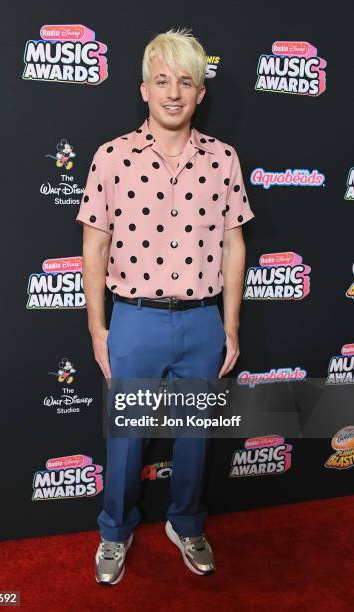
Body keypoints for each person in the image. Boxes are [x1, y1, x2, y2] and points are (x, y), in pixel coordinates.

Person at [75, 27, 255, 586]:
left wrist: (228, 326)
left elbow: (233, 243)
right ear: (144, 89)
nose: (173, 91)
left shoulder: (224, 159)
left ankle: (186, 523)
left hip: (202, 320)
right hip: (134, 318)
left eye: (186, 81)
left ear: (201, 93)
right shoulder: (112, 157)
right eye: (162, 80)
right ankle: (114, 531)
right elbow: (94, 245)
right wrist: (99, 329)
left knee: (196, 436)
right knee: (125, 439)